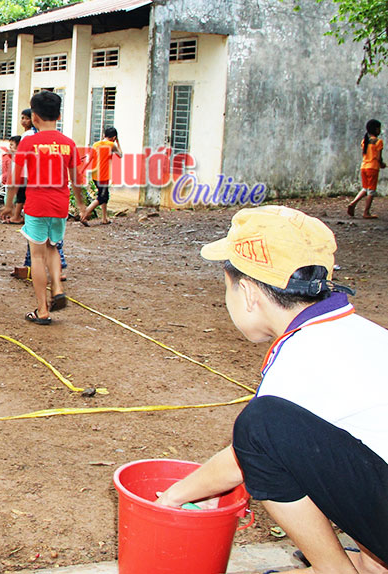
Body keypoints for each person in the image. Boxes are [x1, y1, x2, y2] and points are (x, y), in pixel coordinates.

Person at [155, 205, 388, 574]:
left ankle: (335, 570)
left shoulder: (303, 354)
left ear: (247, 292)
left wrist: (172, 496)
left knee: (261, 428)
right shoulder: (362, 332)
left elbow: (241, 459)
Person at [7, 91, 82, 324]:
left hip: (36, 204)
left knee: (37, 256)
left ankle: (42, 309)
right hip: (60, 204)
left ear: (34, 116)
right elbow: (77, 178)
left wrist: (9, 205)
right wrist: (80, 204)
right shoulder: (68, 144)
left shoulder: (28, 142)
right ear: (59, 115)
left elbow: (15, 177)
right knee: (53, 247)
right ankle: (57, 286)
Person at [80, 126, 122, 226]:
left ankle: (104, 218)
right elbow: (120, 155)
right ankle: (85, 214)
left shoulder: (96, 144)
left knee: (104, 195)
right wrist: (118, 143)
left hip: (95, 176)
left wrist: (82, 170)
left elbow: (89, 159)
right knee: (102, 197)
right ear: (114, 137)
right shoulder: (112, 145)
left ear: (104, 135)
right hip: (104, 175)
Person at [347, 119, 384, 219]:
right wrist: (382, 164)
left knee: (365, 189)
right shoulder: (378, 142)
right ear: (376, 129)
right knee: (371, 191)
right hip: (373, 168)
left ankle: (353, 203)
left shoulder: (364, 141)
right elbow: (378, 157)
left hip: (364, 167)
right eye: (379, 128)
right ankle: (366, 212)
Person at [0, 135, 25, 224]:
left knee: (19, 199)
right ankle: (13, 215)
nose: (10, 147)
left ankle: (15, 215)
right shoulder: (13, 155)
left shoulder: (20, 155)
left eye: (12, 145)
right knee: (17, 199)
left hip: (20, 180)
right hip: (14, 179)